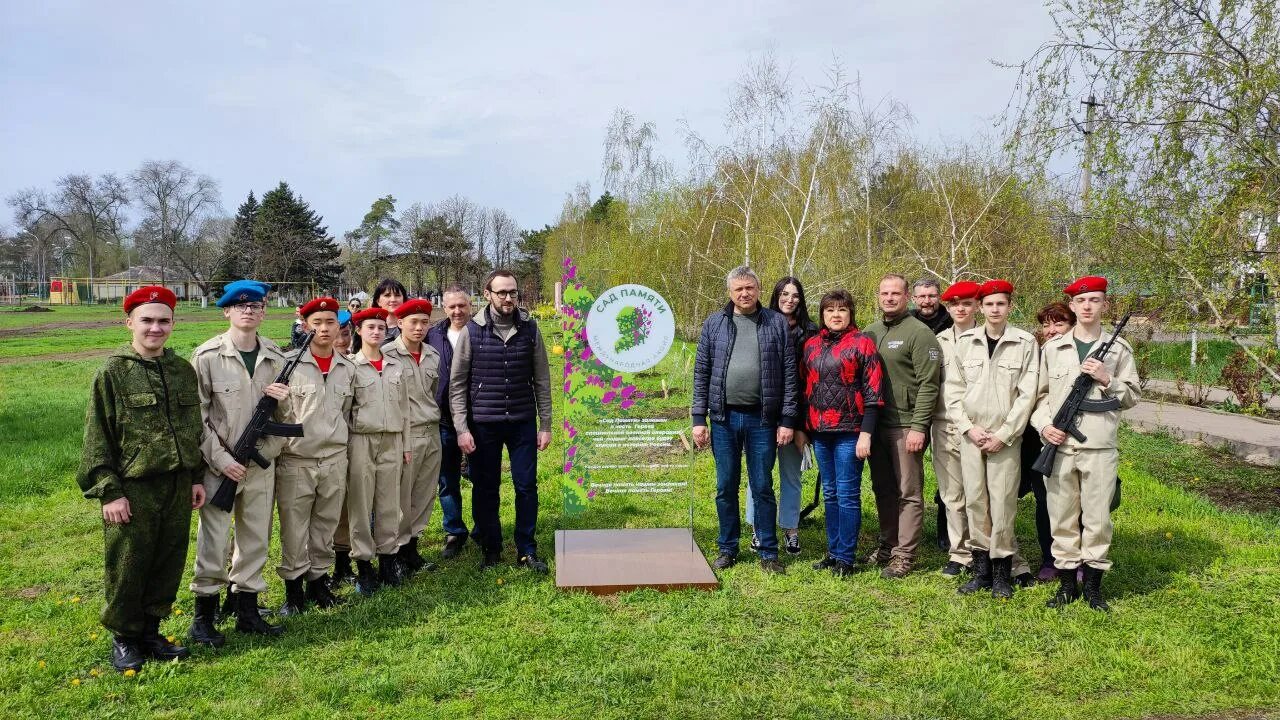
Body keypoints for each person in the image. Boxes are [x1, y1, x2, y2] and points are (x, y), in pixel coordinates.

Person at [77, 286, 206, 672]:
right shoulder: (113, 372)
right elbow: (97, 438)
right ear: (129, 322)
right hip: (134, 487)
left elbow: (192, 429)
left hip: (177, 485)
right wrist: (109, 492)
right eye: (147, 320)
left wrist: (196, 477)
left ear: (173, 324)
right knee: (129, 564)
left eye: (163, 320)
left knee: (168, 560)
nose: (155, 328)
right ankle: (125, 639)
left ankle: (151, 630)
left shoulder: (182, 370)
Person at [188, 280, 288, 647]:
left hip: (260, 466)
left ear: (263, 312)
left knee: (255, 538)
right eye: (240, 305)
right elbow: (195, 417)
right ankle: (204, 617)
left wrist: (269, 452)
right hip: (219, 468)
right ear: (227, 311)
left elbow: (287, 417)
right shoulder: (207, 356)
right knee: (213, 541)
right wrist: (220, 459)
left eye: (256, 306)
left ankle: (247, 610)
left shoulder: (276, 358)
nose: (248, 310)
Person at [1033, 276, 1140, 612]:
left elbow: (1132, 397)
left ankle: (1093, 589)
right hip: (1060, 446)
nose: (1088, 306)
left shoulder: (1119, 350)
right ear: (1074, 306)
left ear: (1105, 305)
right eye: (1082, 301)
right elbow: (1038, 396)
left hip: (1099, 447)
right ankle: (1066, 587)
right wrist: (1044, 426)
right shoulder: (1053, 348)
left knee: (1097, 520)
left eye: (1095, 300)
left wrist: (1107, 378)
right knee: (1061, 517)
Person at [691, 266, 797, 574]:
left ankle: (768, 551)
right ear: (729, 292)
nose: (744, 294)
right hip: (723, 419)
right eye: (738, 289)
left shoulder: (776, 324)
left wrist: (787, 419)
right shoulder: (714, 324)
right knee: (725, 485)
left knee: (762, 485)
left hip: (762, 419)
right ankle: (727, 548)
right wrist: (699, 418)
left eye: (750, 288)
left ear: (759, 289)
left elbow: (789, 374)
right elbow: (701, 374)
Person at [450, 270, 554, 572]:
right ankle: (491, 549)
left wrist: (545, 424)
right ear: (488, 294)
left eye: (512, 292)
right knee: (486, 487)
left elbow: (543, 380)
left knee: (526, 487)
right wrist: (461, 428)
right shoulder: (472, 331)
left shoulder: (531, 330)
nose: (507, 298)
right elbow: (458, 384)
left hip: (522, 422)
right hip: (483, 423)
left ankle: (527, 549)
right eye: (501, 292)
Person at [944, 280, 1039, 599]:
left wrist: (1004, 433)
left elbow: (1028, 394)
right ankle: (981, 571)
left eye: (1001, 304)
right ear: (980, 308)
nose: (995, 309)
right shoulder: (965, 343)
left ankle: (1002, 574)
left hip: (1004, 439)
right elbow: (953, 392)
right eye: (989, 304)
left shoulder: (1024, 343)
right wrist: (968, 428)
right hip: (972, 436)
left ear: (1009, 307)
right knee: (975, 502)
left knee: (1002, 504)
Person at [275, 297, 355, 615]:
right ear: (306, 325)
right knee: (294, 527)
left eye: (330, 322)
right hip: (297, 460)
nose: (324, 328)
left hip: (334, 458)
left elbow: (346, 413)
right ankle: (294, 593)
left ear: (339, 327)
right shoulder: (290, 364)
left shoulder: (347, 368)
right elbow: (281, 415)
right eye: (317, 322)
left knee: (325, 525)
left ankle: (319, 584)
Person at [862, 274, 942, 579]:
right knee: (882, 488)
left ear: (907, 296)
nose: (890, 298)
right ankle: (888, 544)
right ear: (878, 296)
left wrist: (919, 427)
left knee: (909, 492)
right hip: (876, 424)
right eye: (884, 293)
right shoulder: (870, 332)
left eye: (896, 293)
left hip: (906, 425)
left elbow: (929, 385)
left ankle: (905, 554)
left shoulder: (919, 334)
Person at [800, 289, 884, 577]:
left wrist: (866, 433)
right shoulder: (811, 346)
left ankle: (846, 558)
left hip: (851, 431)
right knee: (830, 494)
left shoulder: (862, 344)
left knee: (848, 495)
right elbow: (805, 389)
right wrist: (805, 428)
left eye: (842, 310)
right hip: (821, 431)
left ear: (850, 313)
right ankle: (833, 552)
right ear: (822, 315)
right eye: (830, 310)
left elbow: (874, 393)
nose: (836, 315)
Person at [745, 276, 816, 556]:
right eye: (784, 294)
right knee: (757, 476)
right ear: (776, 296)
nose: (790, 299)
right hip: (762, 416)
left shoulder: (810, 332)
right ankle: (759, 530)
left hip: (795, 418)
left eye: (795, 295)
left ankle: (790, 529)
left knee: (790, 475)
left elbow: (809, 383)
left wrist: (800, 425)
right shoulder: (761, 325)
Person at [343, 307, 412, 594]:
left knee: (389, 502)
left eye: (381, 328)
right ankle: (364, 565)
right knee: (360, 504)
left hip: (393, 439)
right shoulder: (350, 367)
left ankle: (388, 560)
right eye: (370, 327)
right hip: (361, 440)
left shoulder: (396, 366)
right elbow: (345, 412)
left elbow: (405, 409)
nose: (376, 332)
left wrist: (406, 445)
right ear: (359, 331)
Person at [383, 298, 443, 575]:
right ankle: (394, 551)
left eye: (424, 322)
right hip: (404, 435)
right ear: (400, 323)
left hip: (431, 431)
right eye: (413, 322)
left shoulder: (433, 355)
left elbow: (432, 393)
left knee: (424, 493)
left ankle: (412, 548)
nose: (419, 328)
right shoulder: (386, 355)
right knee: (400, 496)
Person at [1021, 301, 1077, 582]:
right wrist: (1043, 425)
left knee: (1074, 501)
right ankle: (1049, 558)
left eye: (1059, 324)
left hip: (1073, 438)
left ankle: (1077, 560)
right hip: (1035, 438)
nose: (1052, 330)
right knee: (1045, 501)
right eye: (1046, 325)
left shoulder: (1080, 358)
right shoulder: (1035, 355)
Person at [930, 280, 982, 578]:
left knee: (980, 494)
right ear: (948, 308)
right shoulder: (939, 341)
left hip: (978, 427)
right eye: (954, 304)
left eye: (966, 303)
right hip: (946, 424)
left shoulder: (988, 338)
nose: (960, 309)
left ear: (976, 306)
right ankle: (959, 553)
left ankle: (983, 550)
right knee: (952, 494)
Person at [427, 286, 473, 558]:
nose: (457, 311)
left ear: (470, 306)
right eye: (452, 306)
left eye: (462, 306)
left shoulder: (481, 331)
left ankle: (484, 527)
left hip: (476, 416)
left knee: (482, 476)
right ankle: (454, 530)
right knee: (447, 478)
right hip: (443, 417)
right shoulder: (433, 335)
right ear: (444, 308)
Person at [353, 279, 407, 353]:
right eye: (387, 295)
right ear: (378, 301)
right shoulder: (366, 325)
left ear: (403, 299)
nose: (393, 299)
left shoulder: (412, 325)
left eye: (397, 295)